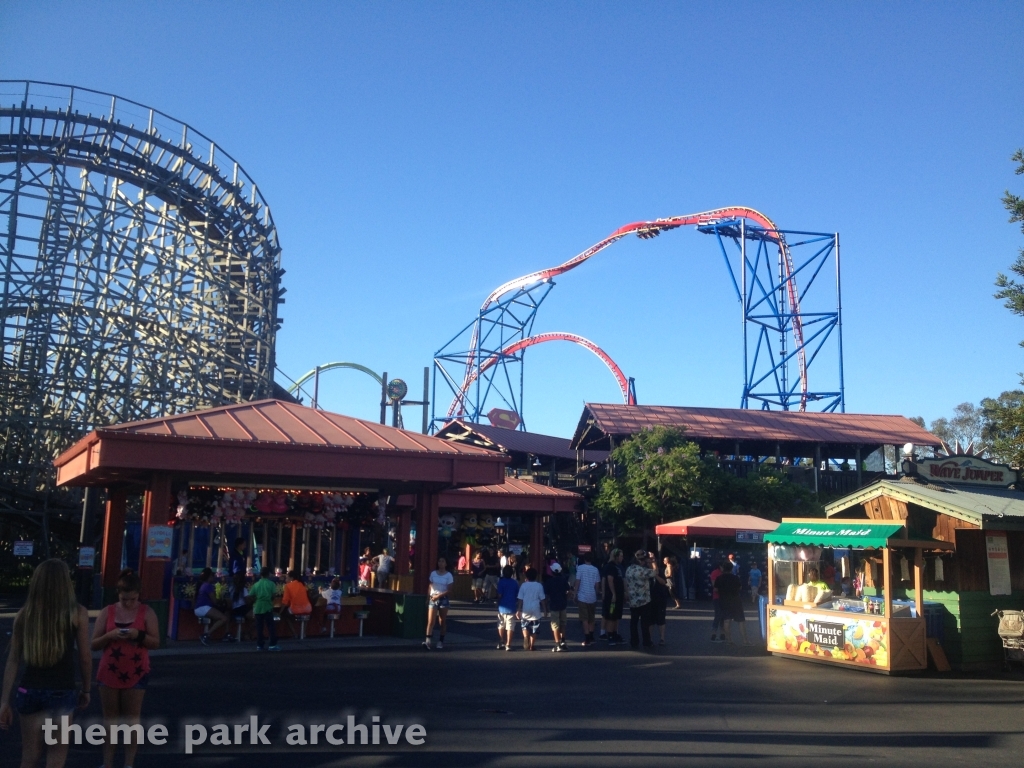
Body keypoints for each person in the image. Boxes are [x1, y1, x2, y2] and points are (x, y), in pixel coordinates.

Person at [0, 559, 92, 768]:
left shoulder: (24, 615)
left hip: (28, 690)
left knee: (29, 756)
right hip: (61, 690)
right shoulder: (77, 613)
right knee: (56, 758)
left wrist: (4, 701)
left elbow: (13, 660)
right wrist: (86, 689)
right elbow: (85, 657)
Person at [92, 568, 160, 768]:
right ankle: (107, 763)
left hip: (136, 670)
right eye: (124, 599)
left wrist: (138, 635)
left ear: (138, 595)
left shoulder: (147, 612)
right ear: (118, 595)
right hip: (109, 671)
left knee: (132, 719)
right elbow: (93, 644)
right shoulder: (108, 612)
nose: (128, 603)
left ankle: (128, 764)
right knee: (110, 719)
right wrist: (110, 636)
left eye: (132, 599)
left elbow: (155, 642)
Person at [625, 550, 655, 649]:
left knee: (633, 621)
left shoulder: (629, 569)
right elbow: (655, 572)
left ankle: (634, 641)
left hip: (633, 599)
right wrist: (652, 561)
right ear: (643, 561)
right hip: (644, 600)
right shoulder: (642, 571)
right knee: (644, 622)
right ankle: (646, 641)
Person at [714, 562, 751, 645]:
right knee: (741, 621)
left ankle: (729, 640)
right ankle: (745, 641)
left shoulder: (719, 578)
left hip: (723, 601)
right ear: (731, 569)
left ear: (723, 568)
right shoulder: (735, 578)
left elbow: (715, 589)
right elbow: (740, 587)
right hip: (735, 600)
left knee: (727, 621)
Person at [423, 556, 453, 649]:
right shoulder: (433, 573)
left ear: (446, 564)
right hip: (433, 598)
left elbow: (449, 590)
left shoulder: (449, 575)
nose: (441, 563)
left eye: (443, 561)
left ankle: (441, 641)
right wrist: (428, 597)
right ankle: (428, 641)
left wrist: (438, 596)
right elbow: (430, 586)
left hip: (443, 598)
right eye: (439, 561)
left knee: (442, 621)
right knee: (430, 621)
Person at [194, 567, 230, 645]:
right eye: (212, 576)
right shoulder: (208, 586)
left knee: (225, 613)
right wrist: (221, 599)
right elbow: (214, 601)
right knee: (224, 618)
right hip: (204, 608)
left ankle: (226, 634)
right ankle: (206, 635)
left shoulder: (202, 585)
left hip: (200, 608)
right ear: (209, 576)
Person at [515, 568, 547, 651]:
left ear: (526, 576)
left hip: (526, 609)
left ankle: (526, 637)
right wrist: (545, 609)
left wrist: (518, 609)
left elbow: (520, 599)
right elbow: (542, 599)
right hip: (536, 610)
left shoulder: (523, 585)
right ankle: (532, 645)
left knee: (524, 626)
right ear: (536, 576)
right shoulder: (539, 585)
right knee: (535, 629)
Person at [574, 552, 602, 646]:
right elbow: (597, 584)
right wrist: (597, 592)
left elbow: (578, 581)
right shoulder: (595, 569)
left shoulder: (580, 568)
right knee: (591, 618)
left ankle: (587, 637)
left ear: (584, 559)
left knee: (584, 618)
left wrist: (575, 593)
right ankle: (591, 635)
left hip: (583, 596)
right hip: (592, 596)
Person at [250, 568, 280, 651]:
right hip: (267, 606)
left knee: (259, 627)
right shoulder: (271, 584)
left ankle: (260, 645)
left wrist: (256, 599)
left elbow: (251, 595)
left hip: (258, 606)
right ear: (268, 574)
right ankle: (272, 644)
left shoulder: (256, 584)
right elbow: (274, 595)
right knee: (271, 626)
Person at [601, 549, 625, 644]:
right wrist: (613, 594)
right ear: (615, 556)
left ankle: (615, 633)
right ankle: (610, 634)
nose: (622, 558)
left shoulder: (618, 567)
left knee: (616, 615)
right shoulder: (610, 567)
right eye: (620, 556)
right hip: (611, 597)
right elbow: (609, 580)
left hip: (619, 595)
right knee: (611, 615)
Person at [546, 562, 570, 652]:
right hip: (563, 604)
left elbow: (547, 595)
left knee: (555, 625)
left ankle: (557, 644)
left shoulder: (549, 582)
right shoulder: (563, 580)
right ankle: (563, 640)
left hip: (554, 605)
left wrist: (545, 606)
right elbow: (568, 591)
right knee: (563, 623)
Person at [495, 565, 519, 651]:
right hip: (512, 607)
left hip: (502, 607)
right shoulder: (515, 583)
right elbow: (517, 595)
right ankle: (508, 644)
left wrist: (497, 601)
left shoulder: (501, 582)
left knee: (501, 624)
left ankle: (501, 641)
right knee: (510, 626)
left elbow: (499, 595)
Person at [649, 559, 670, 645]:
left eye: (654, 564)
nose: (652, 566)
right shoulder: (647, 573)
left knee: (661, 619)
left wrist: (656, 576)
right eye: (650, 564)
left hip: (661, 598)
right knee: (650, 620)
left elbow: (663, 582)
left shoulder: (661, 572)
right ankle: (649, 638)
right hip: (650, 599)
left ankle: (662, 638)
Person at [709, 560, 724, 643]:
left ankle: (722, 634)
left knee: (723, 616)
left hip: (724, 598)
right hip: (717, 597)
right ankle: (713, 634)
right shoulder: (715, 573)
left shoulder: (725, 573)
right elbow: (715, 587)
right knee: (718, 615)